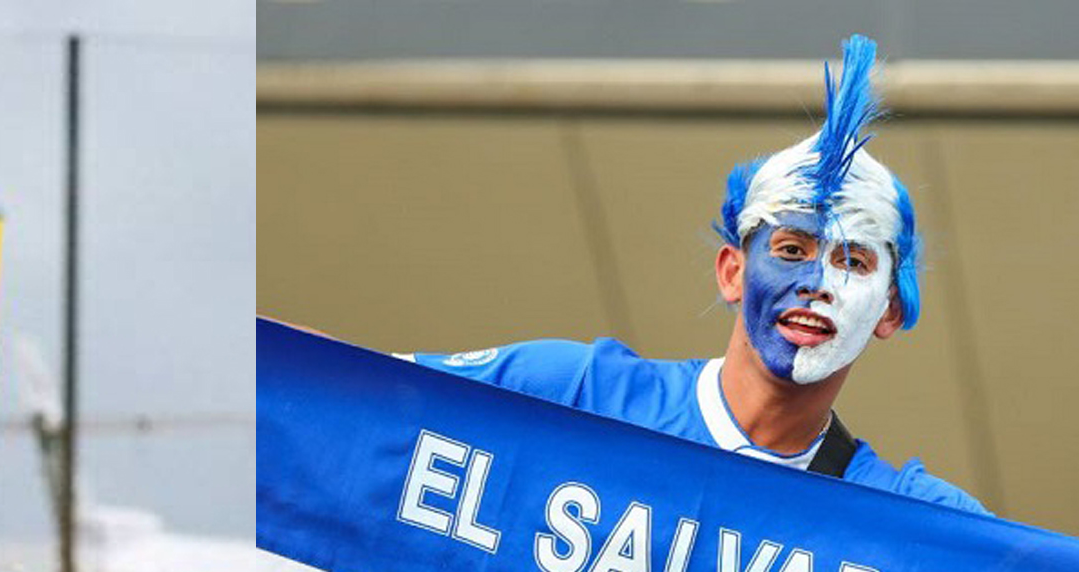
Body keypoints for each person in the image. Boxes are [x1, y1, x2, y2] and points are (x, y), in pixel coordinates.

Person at [393, 35, 985, 514]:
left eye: (852, 262)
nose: (819, 283)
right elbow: (349, 394)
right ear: (732, 272)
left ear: (889, 308)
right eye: (790, 247)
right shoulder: (579, 392)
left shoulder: (918, 523)